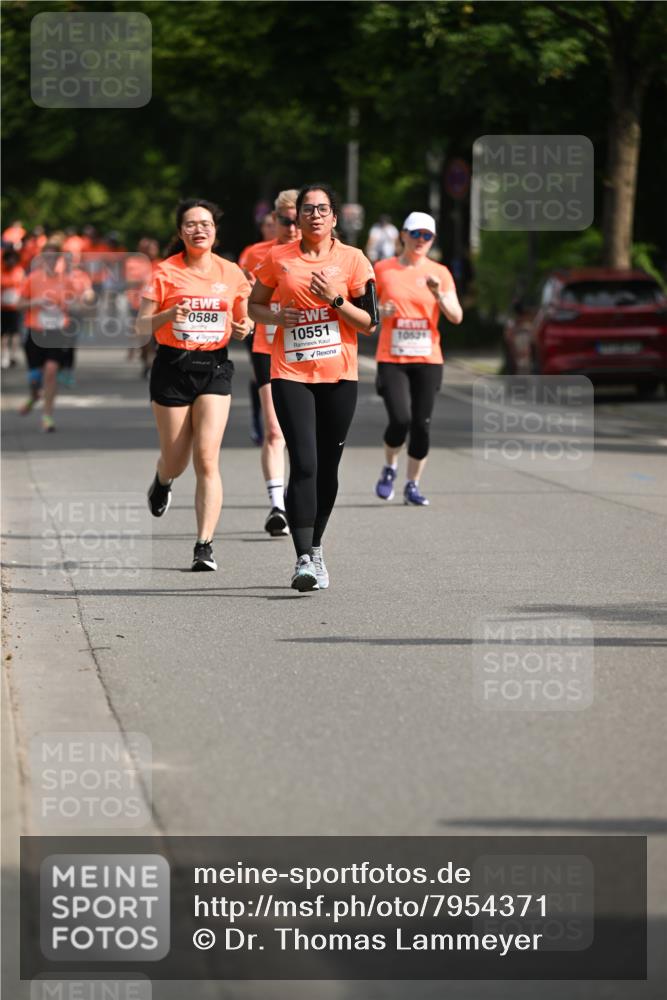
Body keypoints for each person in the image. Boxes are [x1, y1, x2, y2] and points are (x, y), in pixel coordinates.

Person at [249, 183, 379, 591]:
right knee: (304, 463)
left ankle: (317, 545)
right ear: (298, 216)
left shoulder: (354, 260)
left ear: (334, 218)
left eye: (323, 209)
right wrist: (276, 318)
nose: (315, 215)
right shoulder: (278, 258)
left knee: (327, 467)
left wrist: (336, 300)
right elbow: (254, 305)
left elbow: (369, 322)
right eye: (308, 209)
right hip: (290, 373)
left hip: (339, 376)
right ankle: (303, 558)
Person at [136, 198, 252, 572]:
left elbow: (244, 320)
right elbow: (139, 327)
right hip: (173, 367)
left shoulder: (231, 272)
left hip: (214, 368)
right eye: (191, 224)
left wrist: (244, 327)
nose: (199, 229)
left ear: (215, 231)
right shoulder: (164, 272)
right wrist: (169, 314)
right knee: (177, 459)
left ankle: (204, 544)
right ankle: (163, 480)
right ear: (180, 232)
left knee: (206, 457)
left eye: (205, 224)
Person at [373, 211, 463, 506]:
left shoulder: (440, 273)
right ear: (403, 235)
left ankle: (412, 484)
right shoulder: (382, 269)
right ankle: (390, 466)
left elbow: (456, 316)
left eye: (427, 235)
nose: (421, 240)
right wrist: (379, 312)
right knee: (400, 419)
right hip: (392, 357)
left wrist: (439, 294)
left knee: (421, 424)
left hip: (428, 358)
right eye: (415, 234)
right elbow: (364, 309)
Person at [241, 190, 300, 538]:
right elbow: (241, 300)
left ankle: (300, 496)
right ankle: (278, 506)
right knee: (275, 430)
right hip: (267, 347)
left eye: (297, 220)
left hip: (307, 352)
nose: (292, 227)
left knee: (302, 435)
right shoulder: (256, 254)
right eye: (285, 221)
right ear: (274, 220)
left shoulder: (319, 254)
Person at [18, 237, 93, 431]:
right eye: (48, 257)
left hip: (58, 331)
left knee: (51, 371)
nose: (51, 261)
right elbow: (19, 304)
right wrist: (35, 302)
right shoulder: (32, 278)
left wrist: (79, 303)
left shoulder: (66, 280)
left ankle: (47, 417)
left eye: (54, 257)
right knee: (35, 378)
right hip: (36, 331)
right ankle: (34, 396)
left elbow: (78, 303)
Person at [1, 248, 25, 368]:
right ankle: (4, 355)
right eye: (8, 260)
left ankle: (13, 356)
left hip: (15, 306)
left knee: (15, 332)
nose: (11, 262)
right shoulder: (2, 271)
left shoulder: (19, 271)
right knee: (3, 333)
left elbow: (23, 287)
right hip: (3, 307)